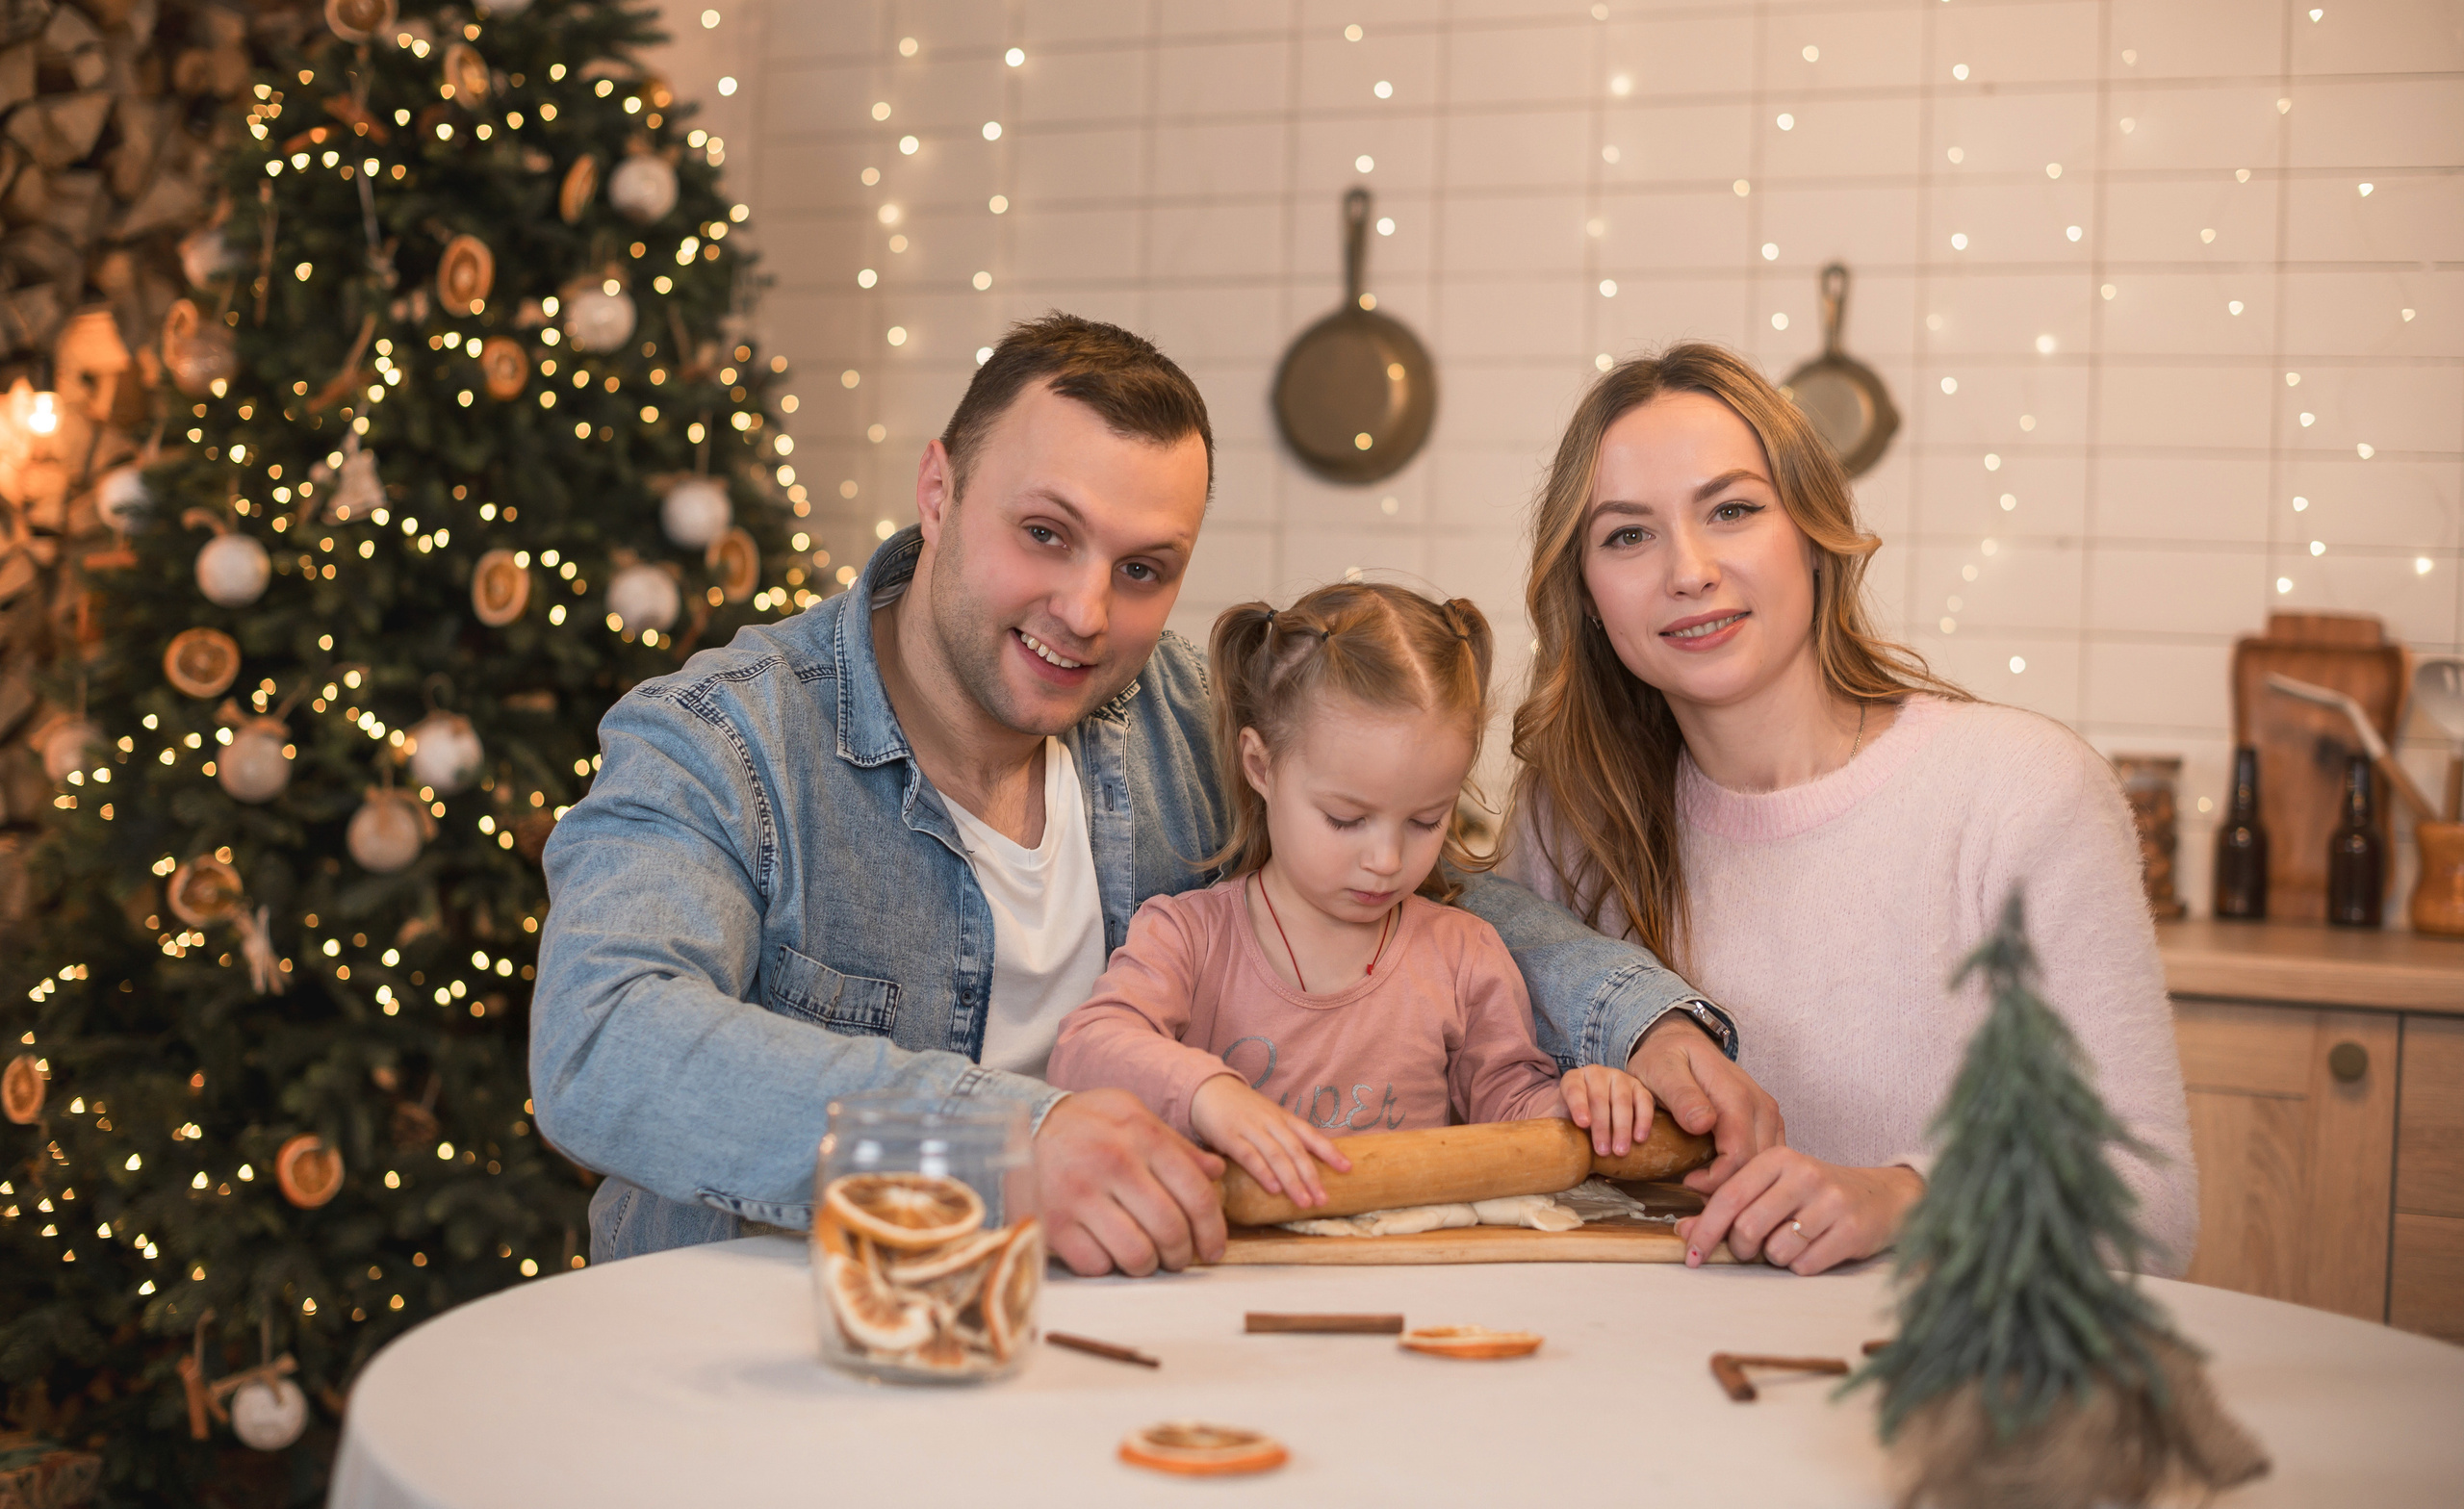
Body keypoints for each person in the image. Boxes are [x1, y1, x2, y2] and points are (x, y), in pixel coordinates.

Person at [532, 314, 1774, 1277]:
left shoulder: (1189, 711)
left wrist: (1643, 1026)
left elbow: (1439, 899)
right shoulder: (724, 739)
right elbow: (600, 1043)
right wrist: (1008, 1144)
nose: (1085, 613)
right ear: (937, 490)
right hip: (779, 1367)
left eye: (1142, 569)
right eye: (1045, 535)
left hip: (1101, 1368)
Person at [1501, 343, 2196, 1276]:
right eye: (1627, 535)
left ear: (1814, 534)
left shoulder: (2020, 791)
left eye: (1732, 511)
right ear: (1585, 595)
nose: (1689, 569)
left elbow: (2148, 1206)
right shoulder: (1569, 821)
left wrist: (1905, 1195)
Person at [1049, 584, 1654, 1209]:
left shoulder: (1464, 953)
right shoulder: (1188, 936)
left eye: (1426, 821)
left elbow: (1512, 1110)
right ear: (1260, 766)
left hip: (1407, 1271)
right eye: (1345, 818)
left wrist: (1580, 1108)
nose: (1387, 862)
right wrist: (1207, 1094)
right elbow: (1085, 1050)